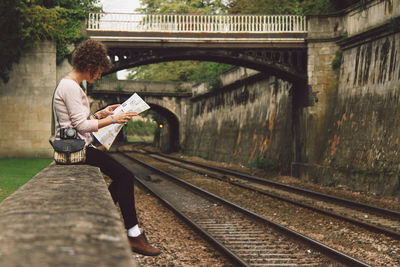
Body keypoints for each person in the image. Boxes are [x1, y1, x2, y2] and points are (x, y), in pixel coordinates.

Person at [53, 39, 161, 256]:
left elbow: (78, 122)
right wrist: (114, 120)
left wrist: (100, 115)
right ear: (90, 66)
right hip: (76, 149)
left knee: (123, 176)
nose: (99, 76)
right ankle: (133, 235)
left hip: (76, 145)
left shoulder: (71, 85)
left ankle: (110, 224)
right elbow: (81, 126)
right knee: (125, 176)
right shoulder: (71, 87)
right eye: (99, 71)